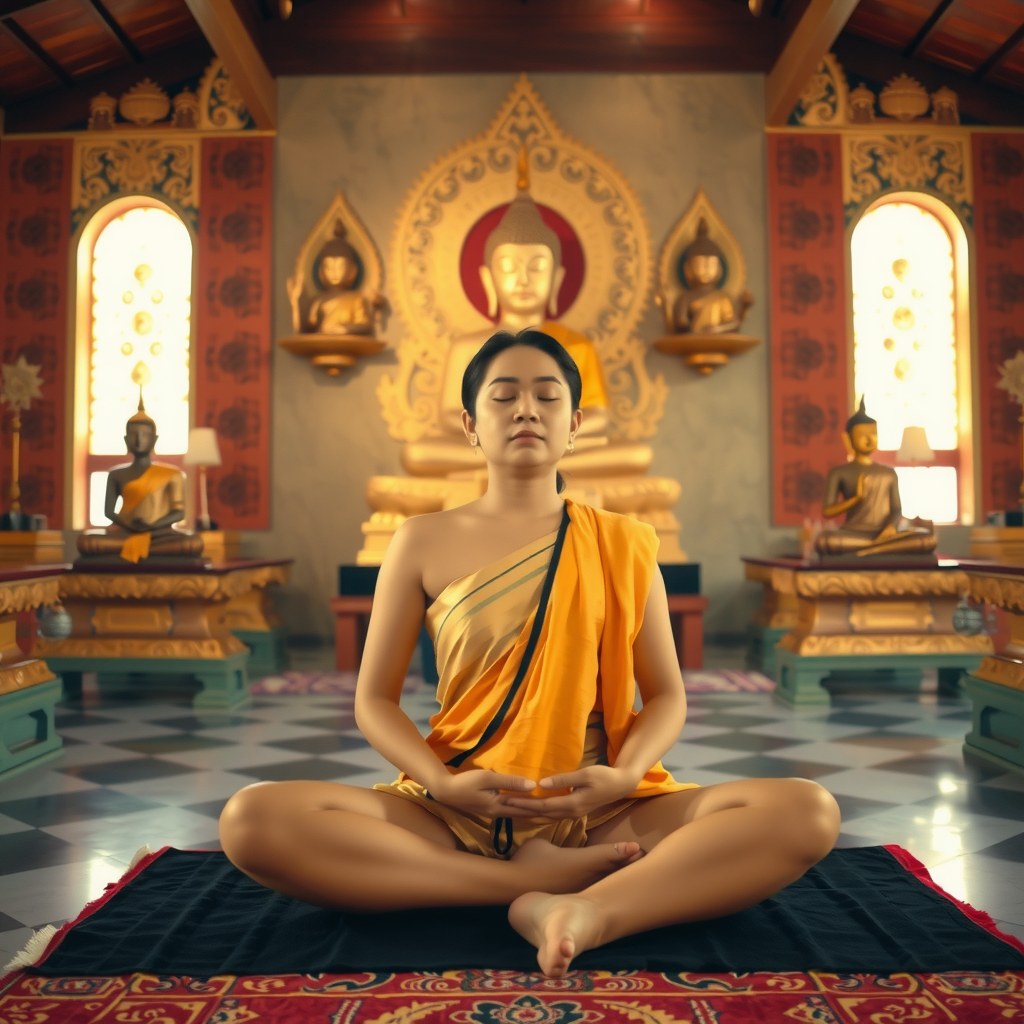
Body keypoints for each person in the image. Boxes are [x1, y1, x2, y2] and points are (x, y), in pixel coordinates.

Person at [219, 329, 840, 977]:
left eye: (547, 396)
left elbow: (666, 696)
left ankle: (587, 914)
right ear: (469, 423)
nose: (526, 410)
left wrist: (626, 777)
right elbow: (374, 700)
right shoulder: (420, 540)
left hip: (599, 807)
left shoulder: (623, 543)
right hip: (458, 804)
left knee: (805, 810)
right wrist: (442, 784)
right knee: (252, 820)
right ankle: (534, 888)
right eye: (503, 396)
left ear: (574, 425)